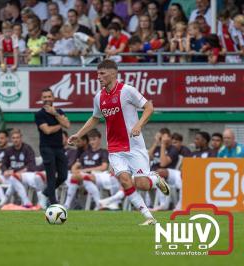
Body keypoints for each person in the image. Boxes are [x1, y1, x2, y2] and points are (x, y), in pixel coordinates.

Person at [68, 59, 170, 225]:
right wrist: (78, 134)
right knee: (124, 180)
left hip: (134, 146)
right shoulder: (99, 97)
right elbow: (95, 118)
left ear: (113, 73)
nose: (98, 77)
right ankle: (149, 217)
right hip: (115, 148)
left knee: (142, 184)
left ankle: (155, 179)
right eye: (97, 74)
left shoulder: (127, 91)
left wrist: (138, 125)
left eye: (102, 73)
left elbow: (149, 107)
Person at [35, 88, 70, 208]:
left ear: (53, 98)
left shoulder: (59, 111)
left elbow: (68, 125)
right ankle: (53, 203)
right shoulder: (39, 114)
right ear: (41, 99)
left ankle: (44, 193)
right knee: (50, 175)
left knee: (63, 175)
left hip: (59, 148)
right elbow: (47, 130)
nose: (47, 99)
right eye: (44, 97)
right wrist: (60, 123)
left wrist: (55, 114)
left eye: (49, 97)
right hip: (46, 148)